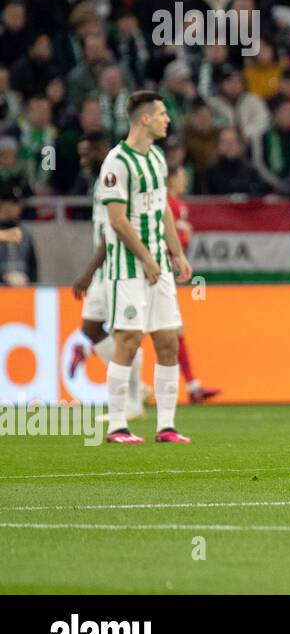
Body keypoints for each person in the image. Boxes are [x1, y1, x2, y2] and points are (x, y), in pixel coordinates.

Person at [96, 91, 194, 444]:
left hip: (159, 266)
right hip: (129, 268)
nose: (168, 119)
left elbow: (162, 208)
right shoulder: (116, 162)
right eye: (163, 113)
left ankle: (166, 426)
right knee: (129, 340)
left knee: (168, 340)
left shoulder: (156, 158)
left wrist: (177, 253)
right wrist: (148, 259)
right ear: (144, 119)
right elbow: (118, 221)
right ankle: (117, 425)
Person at [68, 133, 148, 421]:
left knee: (120, 333)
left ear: (102, 150)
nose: (83, 159)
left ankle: (132, 400)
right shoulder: (102, 177)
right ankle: (135, 393)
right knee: (96, 329)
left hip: (115, 268)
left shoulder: (112, 177)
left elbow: (113, 228)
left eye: (87, 152)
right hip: (106, 269)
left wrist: (88, 272)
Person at [166, 168, 220, 403]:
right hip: (157, 274)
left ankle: (193, 385)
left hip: (162, 273)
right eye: (181, 177)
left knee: (172, 330)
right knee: (163, 330)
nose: (185, 181)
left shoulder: (172, 203)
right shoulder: (172, 205)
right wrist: (185, 236)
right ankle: (190, 387)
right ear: (171, 179)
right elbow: (174, 241)